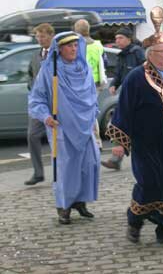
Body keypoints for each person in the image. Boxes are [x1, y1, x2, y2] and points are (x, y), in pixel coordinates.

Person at [105, 8, 163, 246]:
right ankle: (134, 220)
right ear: (150, 53)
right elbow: (123, 111)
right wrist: (120, 144)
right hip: (148, 146)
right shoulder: (136, 77)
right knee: (149, 186)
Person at [29, 32, 100, 224]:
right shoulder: (49, 70)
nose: (73, 49)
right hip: (62, 128)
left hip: (85, 127)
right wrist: (46, 117)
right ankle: (64, 206)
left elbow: (92, 96)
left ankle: (80, 202)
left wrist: (93, 116)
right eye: (69, 46)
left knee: (89, 165)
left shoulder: (83, 68)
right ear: (59, 49)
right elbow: (37, 99)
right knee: (66, 168)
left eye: (76, 46)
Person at [101, 27, 146, 170]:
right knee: (119, 124)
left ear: (129, 39)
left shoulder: (138, 53)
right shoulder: (121, 55)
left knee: (137, 127)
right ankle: (116, 159)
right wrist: (114, 84)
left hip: (140, 97)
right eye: (116, 38)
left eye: (120, 38)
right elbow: (119, 74)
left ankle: (143, 156)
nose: (117, 41)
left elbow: (147, 71)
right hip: (126, 96)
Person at [24, 23, 55, 186]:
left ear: (51, 36)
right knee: (32, 135)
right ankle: (38, 173)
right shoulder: (36, 55)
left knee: (58, 140)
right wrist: (32, 88)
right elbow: (30, 74)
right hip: (40, 104)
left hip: (56, 103)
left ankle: (61, 172)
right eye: (37, 37)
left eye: (42, 36)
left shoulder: (57, 54)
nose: (39, 39)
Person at [74, 19, 107, 150]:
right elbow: (105, 62)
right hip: (97, 82)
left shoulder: (78, 45)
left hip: (83, 83)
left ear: (77, 30)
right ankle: (95, 141)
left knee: (85, 112)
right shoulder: (98, 45)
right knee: (90, 111)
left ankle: (94, 140)